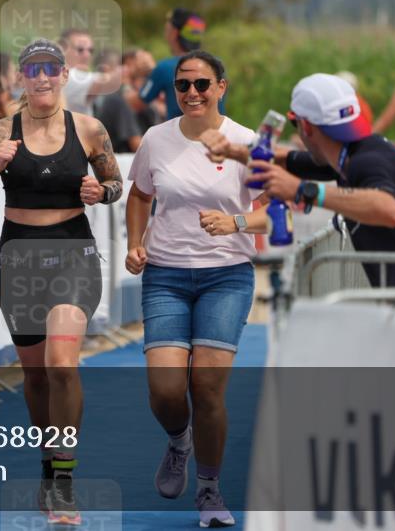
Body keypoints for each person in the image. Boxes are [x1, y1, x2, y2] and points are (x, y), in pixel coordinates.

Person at [0, 38, 123, 526]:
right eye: (34, 69)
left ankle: (66, 482)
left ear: (65, 75)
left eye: (52, 68)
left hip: (73, 254)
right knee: (33, 374)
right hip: (20, 257)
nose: (43, 77)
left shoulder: (90, 129)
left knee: (62, 365)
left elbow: (117, 185)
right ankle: (49, 469)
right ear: (22, 79)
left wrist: (103, 190)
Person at [124, 50, 266, 528]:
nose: (191, 94)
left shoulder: (247, 142)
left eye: (201, 84)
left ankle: (209, 490)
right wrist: (134, 243)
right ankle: (178, 439)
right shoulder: (156, 139)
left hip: (226, 275)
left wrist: (237, 221)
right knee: (166, 390)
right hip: (165, 273)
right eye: (182, 85)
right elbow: (140, 194)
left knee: (206, 388)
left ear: (221, 87)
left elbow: (278, 210)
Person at [202, 72, 395, 296]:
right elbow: (288, 159)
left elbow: (388, 209)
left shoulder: (368, 162)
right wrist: (234, 151)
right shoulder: (349, 154)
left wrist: (303, 190)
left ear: (305, 126)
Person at [137, 9, 222, 120]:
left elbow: (135, 104)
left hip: (180, 136)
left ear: (173, 33)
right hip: (217, 135)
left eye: (166, 29)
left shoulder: (165, 68)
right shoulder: (216, 65)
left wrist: (135, 75)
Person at [93, 49, 147, 153]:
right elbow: (137, 145)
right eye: (121, 67)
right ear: (105, 70)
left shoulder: (97, 98)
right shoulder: (116, 99)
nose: (125, 71)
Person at [57, 28, 122, 115]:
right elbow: (111, 81)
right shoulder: (66, 76)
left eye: (91, 50)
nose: (87, 55)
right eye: (80, 50)